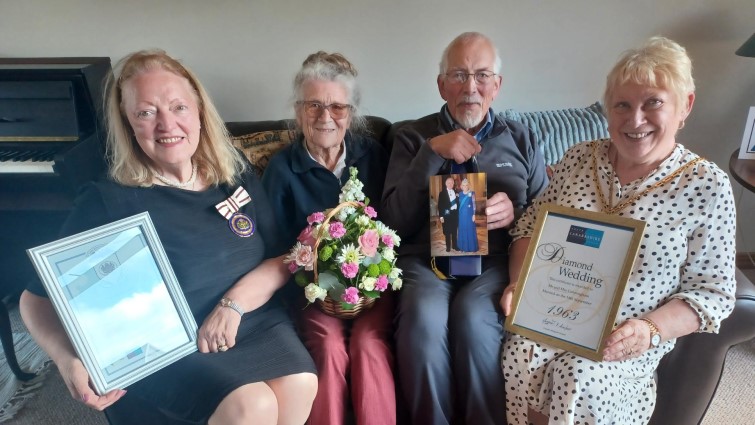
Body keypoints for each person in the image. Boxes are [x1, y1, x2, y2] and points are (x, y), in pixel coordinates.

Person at [19, 49, 317, 425]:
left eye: (178, 107)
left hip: (251, 319)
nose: (166, 124)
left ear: (199, 112)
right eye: (146, 113)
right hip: (170, 346)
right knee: (251, 404)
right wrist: (67, 359)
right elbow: (35, 299)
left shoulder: (234, 173)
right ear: (128, 125)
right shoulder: (109, 200)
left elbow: (282, 258)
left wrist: (232, 305)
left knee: (300, 383)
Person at [500, 36, 737, 425]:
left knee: (581, 375)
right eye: (622, 104)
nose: (635, 119)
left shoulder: (705, 186)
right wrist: (519, 287)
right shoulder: (579, 159)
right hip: (557, 314)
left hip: (628, 333)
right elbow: (529, 227)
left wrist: (651, 329)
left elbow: (713, 293)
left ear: (685, 107)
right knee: (520, 351)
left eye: (653, 103)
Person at [381, 32, 549, 425]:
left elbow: (546, 216)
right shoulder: (411, 136)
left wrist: (517, 209)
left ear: (497, 85)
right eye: (458, 75)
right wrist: (431, 153)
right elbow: (391, 223)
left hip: (495, 263)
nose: (470, 87)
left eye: (482, 75)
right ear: (441, 85)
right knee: (423, 321)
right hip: (426, 264)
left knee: (475, 320)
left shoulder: (520, 138)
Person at [261, 51, 394, 425]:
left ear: (351, 113)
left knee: (369, 345)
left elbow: (395, 221)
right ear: (299, 110)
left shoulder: (374, 156)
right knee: (330, 345)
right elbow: (271, 245)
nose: (325, 117)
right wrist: (309, 269)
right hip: (312, 292)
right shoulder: (283, 168)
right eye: (314, 105)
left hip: (372, 288)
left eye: (337, 106)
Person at [437, 175, 459, 252]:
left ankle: (455, 246)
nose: (450, 184)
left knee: (454, 231)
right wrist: (441, 217)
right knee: (447, 232)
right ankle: (448, 247)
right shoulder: (442, 193)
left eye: (452, 183)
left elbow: (458, 203)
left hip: (455, 214)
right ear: (446, 184)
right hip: (447, 214)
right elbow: (440, 205)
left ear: (453, 184)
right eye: (449, 183)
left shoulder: (456, 192)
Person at [456, 178, 478, 252]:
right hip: (461, 215)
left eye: (466, 185)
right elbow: (456, 204)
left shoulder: (472, 193)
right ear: (461, 186)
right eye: (463, 185)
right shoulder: (459, 194)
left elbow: (474, 204)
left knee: (469, 229)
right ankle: (462, 247)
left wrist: (474, 215)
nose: (465, 186)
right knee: (462, 229)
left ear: (468, 185)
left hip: (469, 215)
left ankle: (471, 247)